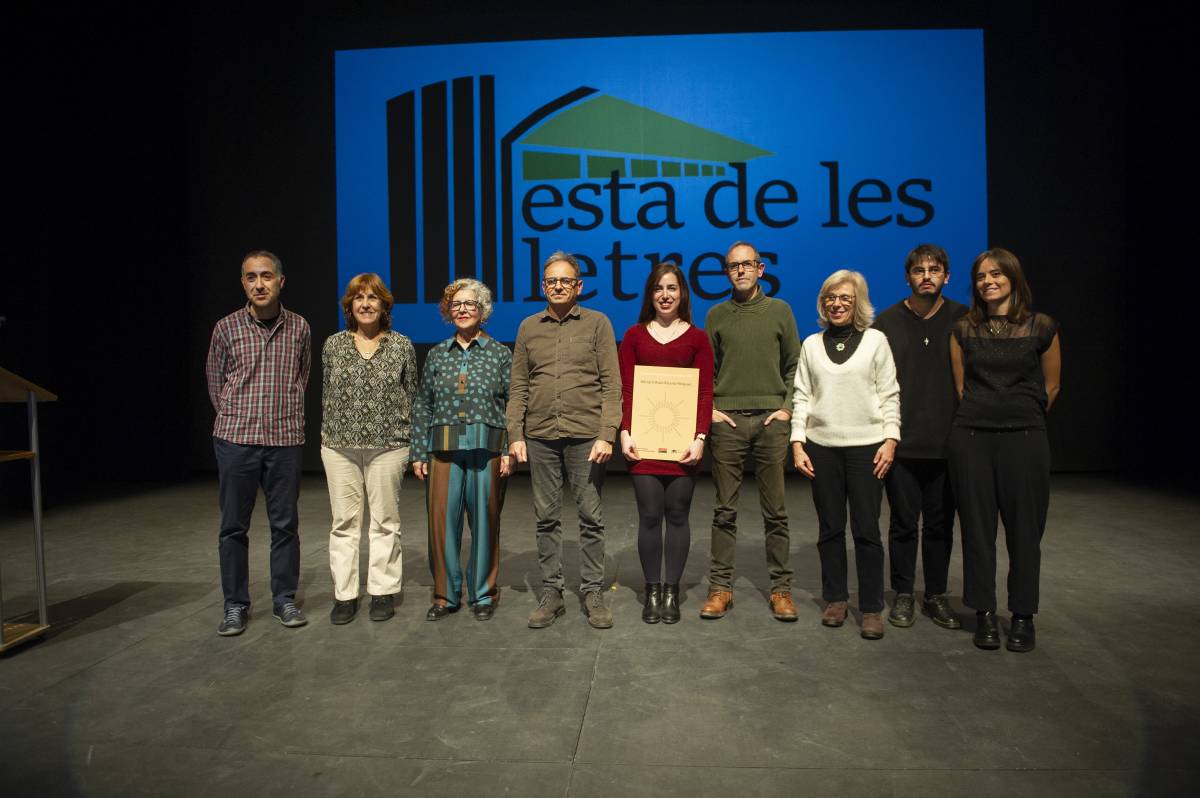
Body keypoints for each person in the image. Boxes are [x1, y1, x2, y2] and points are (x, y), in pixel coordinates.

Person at [949, 248, 1061, 653]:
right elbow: (961, 387)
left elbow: (1052, 387)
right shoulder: (963, 329)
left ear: (1014, 277)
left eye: (996, 274)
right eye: (981, 276)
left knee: (1025, 531)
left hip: (1025, 438)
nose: (988, 282)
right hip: (972, 437)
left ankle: (1022, 616)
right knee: (978, 531)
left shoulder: (1041, 326)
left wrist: (1018, 415)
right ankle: (984, 614)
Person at [507, 250, 621, 629]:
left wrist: (608, 434)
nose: (558, 286)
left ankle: (592, 591)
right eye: (551, 281)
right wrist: (515, 434)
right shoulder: (528, 327)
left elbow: (611, 385)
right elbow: (519, 386)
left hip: (587, 437)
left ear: (579, 286)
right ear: (543, 286)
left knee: (591, 517)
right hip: (540, 436)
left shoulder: (597, 324)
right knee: (546, 518)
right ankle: (552, 592)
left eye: (565, 280)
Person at [206, 250, 311, 636]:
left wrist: (283, 418)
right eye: (251, 277)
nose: (259, 284)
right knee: (233, 526)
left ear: (281, 281)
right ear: (243, 283)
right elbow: (215, 382)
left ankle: (284, 599)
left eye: (266, 276)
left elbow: (302, 378)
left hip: (283, 440)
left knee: (285, 525)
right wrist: (237, 417)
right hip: (236, 440)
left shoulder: (299, 327)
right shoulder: (226, 328)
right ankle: (235, 604)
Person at [791, 270, 900, 640]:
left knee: (867, 530)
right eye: (830, 298)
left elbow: (890, 394)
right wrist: (796, 442)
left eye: (845, 299)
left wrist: (890, 439)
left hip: (868, 448)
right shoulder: (810, 344)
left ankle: (871, 608)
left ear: (858, 303)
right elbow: (801, 396)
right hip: (821, 447)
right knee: (830, 529)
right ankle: (835, 599)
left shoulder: (876, 341)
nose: (836, 304)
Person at [701, 241, 802, 622]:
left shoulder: (781, 311)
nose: (740, 271)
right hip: (727, 422)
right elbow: (707, 370)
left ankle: (781, 590)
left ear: (760, 269)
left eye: (747, 265)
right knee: (724, 511)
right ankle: (720, 588)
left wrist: (786, 408)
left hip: (770, 423)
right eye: (733, 266)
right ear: (727, 272)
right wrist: (711, 410)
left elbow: (794, 365)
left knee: (775, 512)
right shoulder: (716, 315)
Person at [872, 244, 968, 630]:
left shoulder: (963, 320)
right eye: (918, 270)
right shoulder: (887, 324)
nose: (926, 276)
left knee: (942, 525)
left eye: (934, 269)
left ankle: (936, 596)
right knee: (903, 524)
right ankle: (903, 597)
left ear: (947, 275)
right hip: (902, 442)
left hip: (950, 444)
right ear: (907, 277)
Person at [618, 262, 714, 624]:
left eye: (672, 288)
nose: (665, 294)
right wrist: (625, 431)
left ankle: (671, 591)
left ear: (682, 294)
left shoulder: (697, 338)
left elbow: (705, 392)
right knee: (648, 516)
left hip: (683, 446)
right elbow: (626, 390)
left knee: (677, 515)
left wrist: (700, 437)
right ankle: (652, 589)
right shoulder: (634, 336)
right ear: (650, 294)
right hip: (642, 444)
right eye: (658, 288)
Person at [411, 279, 513, 622]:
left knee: (486, 521)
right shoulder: (438, 353)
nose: (463, 310)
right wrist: (418, 452)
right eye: (456, 305)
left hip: (488, 448)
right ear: (447, 311)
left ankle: (483, 594)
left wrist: (511, 449)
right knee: (441, 523)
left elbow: (513, 403)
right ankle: (445, 595)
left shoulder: (500, 353)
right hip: (442, 449)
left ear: (483, 311)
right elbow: (423, 404)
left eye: (470, 304)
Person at [320, 273, 417, 625]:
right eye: (358, 298)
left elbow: (413, 394)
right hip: (339, 446)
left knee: (384, 521)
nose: (365, 304)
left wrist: (410, 440)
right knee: (344, 523)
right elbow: (326, 392)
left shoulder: (402, 345)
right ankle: (345, 595)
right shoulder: (333, 345)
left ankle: (382, 592)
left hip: (388, 445)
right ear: (349, 306)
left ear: (384, 305)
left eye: (372, 298)